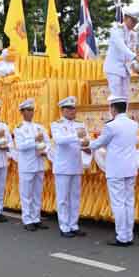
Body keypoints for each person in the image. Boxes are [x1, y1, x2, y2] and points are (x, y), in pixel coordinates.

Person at [88, 96, 139, 246]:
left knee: (118, 203)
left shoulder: (111, 126)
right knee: (129, 202)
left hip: (116, 169)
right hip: (130, 168)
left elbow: (100, 143)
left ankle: (122, 237)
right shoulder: (133, 124)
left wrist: (86, 144)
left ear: (114, 109)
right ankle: (128, 235)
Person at [50, 96, 89, 238]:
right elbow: (60, 141)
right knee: (63, 199)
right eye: (70, 108)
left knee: (75, 197)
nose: (73, 111)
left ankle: (74, 224)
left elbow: (85, 140)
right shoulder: (56, 124)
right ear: (63, 110)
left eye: (74, 108)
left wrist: (87, 147)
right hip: (63, 167)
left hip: (76, 165)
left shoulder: (81, 124)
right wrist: (75, 135)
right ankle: (64, 226)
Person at [14, 98, 50, 231]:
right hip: (27, 166)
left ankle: (36, 218)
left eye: (32, 110)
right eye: (27, 110)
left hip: (39, 164)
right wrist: (34, 140)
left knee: (37, 193)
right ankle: (27, 219)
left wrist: (44, 150)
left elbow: (47, 142)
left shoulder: (39, 127)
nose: (30, 113)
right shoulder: (19, 128)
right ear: (22, 112)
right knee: (26, 194)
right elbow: (20, 146)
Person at [103, 8, 139, 101]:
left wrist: (135, 65)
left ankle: (123, 116)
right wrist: (135, 57)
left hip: (125, 69)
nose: (134, 24)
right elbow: (122, 47)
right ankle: (115, 116)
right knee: (116, 96)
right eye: (132, 20)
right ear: (125, 18)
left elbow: (132, 49)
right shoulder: (117, 30)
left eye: (136, 22)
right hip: (114, 67)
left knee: (125, 97)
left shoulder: (133, 34)